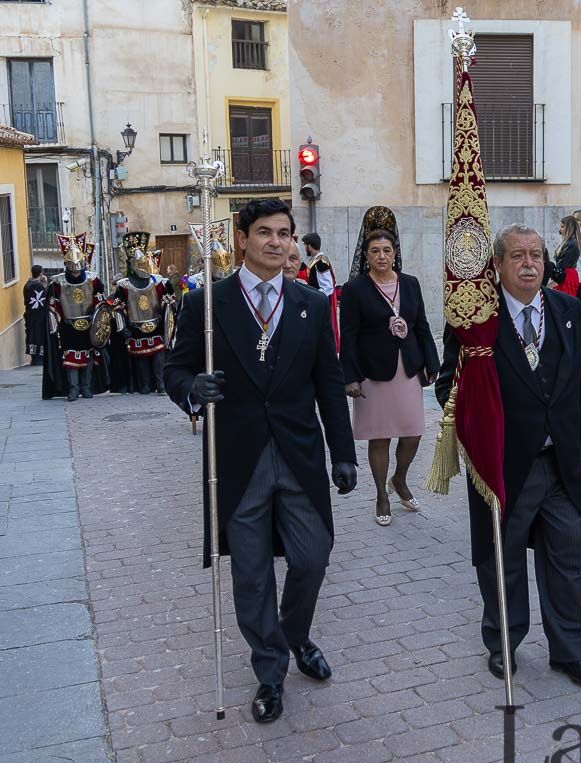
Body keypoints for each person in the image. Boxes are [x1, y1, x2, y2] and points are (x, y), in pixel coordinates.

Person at [164, 198, 357, 723]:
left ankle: (294, 634)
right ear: (242, 237)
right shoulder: (207, 304)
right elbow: (175, 370)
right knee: (250, 575)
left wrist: (343, 452)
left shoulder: (311, 305)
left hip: (299, 455)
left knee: (313, 555)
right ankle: (270, 670)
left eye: (286, 233)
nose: (278, 242)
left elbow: (329, 384)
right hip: (238, 458)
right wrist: (191, 389)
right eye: (266, 232)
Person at [435, 223, 581, 686]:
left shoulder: (568, 309)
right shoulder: (474, 319)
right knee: (501, 557)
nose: (529, 264)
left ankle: (570, 651)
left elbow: (580, 381)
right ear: (497, 265)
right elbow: (446, 385)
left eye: (536, 255)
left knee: (568, 557)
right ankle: (503, 643)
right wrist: (476, 417)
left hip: (560, 463)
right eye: (518, 256)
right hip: (504, 466)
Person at [340, 207, 438, 525]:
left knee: (413, 434)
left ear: (395, 253)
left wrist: (432, 363)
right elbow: (349, 336)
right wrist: (350, 377)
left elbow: (421, 325)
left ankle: (400, 479)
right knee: (380, 438)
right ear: (366, 255)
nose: (381, 256)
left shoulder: (410, 283)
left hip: (407, 368)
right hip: (373, 372)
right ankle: (382, 495)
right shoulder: (355, 289)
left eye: (387, 250)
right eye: (375, 251)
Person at [45, 233, 105, 401]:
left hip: (89, 324)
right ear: (66, 263)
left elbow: (99, 300)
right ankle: (73, 389)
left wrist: (99, 318)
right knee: (71, 357)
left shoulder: (93, 281)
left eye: (78, 263)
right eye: (72, 264)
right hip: (68, 326)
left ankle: (86, 387)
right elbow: (53, 305)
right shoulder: (57, 283)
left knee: (88, 356)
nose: (76, 267)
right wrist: (54, 324)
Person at [114, 232, 173, 394]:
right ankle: (145, 385)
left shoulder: (159, 282)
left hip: (156, 326)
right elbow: (118, 309)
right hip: (135, 329)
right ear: (132, 264)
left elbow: (167, 304)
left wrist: (168, 310)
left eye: (143, 262)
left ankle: (160, 385)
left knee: (159, 359)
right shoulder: (124, 286)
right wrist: (122, 329)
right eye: (138, 263)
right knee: (140, 361)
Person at [303, 232, 340, 350]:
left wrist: (315, 296)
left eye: (305, 245)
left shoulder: (321, 262)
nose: (305, 248)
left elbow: (328, 286)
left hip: (320, 302)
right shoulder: (316, 260)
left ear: (309, 246)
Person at [549, 215, 581, 298]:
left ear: (569, 228)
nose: (560, 229)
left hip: (566, 278)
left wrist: (548, 286)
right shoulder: (569, 243)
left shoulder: (571, 244)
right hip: (566, 276)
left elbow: (563, 267)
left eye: (562, 227)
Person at [23, 264, 48, 366]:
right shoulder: (39, 286)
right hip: (39, 316)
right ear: (41, 273)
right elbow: (44, 298)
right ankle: (38, 357)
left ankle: (34, 357)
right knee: (38, 335)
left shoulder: (27, 284)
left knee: (31, 334)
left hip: (30, 314)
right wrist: (45, 286)